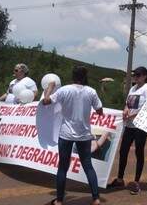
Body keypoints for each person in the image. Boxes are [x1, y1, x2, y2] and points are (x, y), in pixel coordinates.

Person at [43, 66, 103, 205]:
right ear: (85, 76)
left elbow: (46, 102)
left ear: (73, 76)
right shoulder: (91, 91)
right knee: (88, 166)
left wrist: (50, 88)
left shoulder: (64, 90)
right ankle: (96, 198)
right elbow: (99, 111)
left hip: (66, 134)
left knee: (63, 167)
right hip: (84, 134)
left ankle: (59, 201)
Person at [108, 66, 147, 195]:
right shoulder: (133, 88)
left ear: (144, 76)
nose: (135, 77)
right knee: (123, 151)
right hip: (129, 126)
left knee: (139, 151)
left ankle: (136, 182)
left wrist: (132, 115)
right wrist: (126, 109)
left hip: (141, 126)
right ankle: (120, 179)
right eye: (134, 75)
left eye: (138, 75)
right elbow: (128, 102)